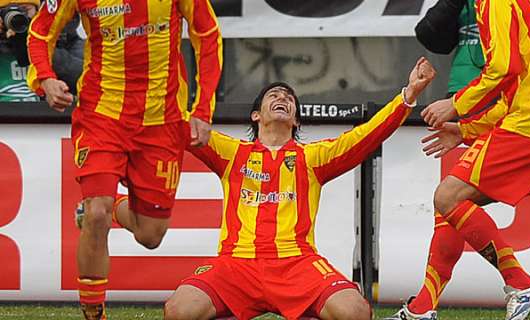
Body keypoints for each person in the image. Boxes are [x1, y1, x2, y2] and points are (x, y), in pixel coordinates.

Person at [162, 57, 436, 320]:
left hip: (297, 264)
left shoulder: (312, 157)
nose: (283, 98)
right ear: (256, 115)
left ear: (296, 121)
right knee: (179, 310)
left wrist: (408, 95)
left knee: (355, 311)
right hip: (235, 264)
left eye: (289, 99)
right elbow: (179, 123)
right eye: (274, 95)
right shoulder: (231, 152)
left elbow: (366, 135)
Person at [26, 0, 222, 319]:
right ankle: (94, 312)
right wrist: (45, 78)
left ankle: (112, 208)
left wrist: (203, 109)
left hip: (162, 122)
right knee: (96, 212)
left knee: (150, 234)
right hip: (101, 116)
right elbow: (40, 32)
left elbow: (208, 34)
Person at [386, 0, 530, 319]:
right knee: (450, 204)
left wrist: (455, 104)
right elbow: (515, 83)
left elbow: (502, 69)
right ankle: (422, 308)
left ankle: (521, 283)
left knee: (447, 196)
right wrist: (466, 129)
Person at [0, 0, 83, 101]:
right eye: (4, 12)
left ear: (39, 11)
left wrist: (37, 47)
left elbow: (87, 80)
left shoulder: (64, 38)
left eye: (24, 10)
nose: (16, 18)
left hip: (49, 114)